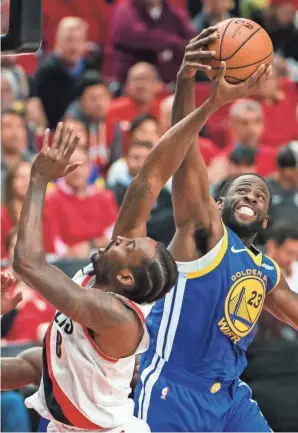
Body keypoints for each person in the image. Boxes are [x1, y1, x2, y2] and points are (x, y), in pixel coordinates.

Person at [134, 27, 298, 433]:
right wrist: (187, 83)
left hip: (231, 396)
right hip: (173, 389)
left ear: (266, 219)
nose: (252, 193)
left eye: (261, 194)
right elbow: (184, 153)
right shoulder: (202, 233)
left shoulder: (266, 271)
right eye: (242, 189)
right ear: (219, 205)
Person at [8, 56, 252, 432]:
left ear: (124, 277)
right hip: (66, 426)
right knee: (31, 362)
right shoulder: (102, 273)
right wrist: (202, 99)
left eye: (128, 245)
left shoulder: (115, 316)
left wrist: (39, 179)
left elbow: (28, 265)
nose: (119, 237)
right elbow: (150, 178)